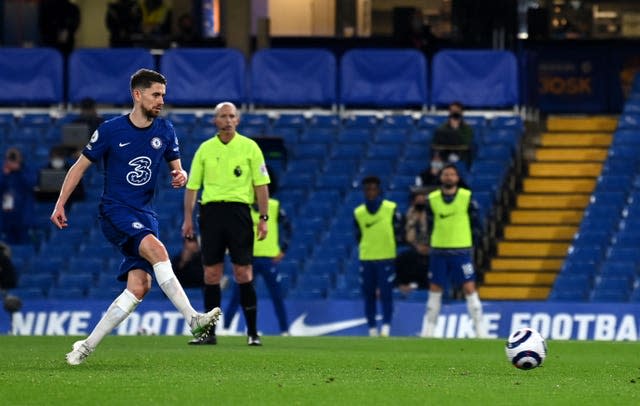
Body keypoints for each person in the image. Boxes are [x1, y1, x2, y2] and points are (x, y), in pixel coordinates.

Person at [50, 68, 221, 366]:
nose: (161, 101)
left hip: (145, 214)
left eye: (163, 95)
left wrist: (181, 175)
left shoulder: (165, 130)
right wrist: (60, 203)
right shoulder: (110, 130)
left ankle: (85, 347)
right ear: (137, 95)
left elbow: (178, 170)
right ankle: (193, 318)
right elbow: (78, 167)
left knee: (139, 287)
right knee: (158, 250)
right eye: (155, 95)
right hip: (115, 210)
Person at [183, 101, 270, 346]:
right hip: (211, 213)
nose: (228, 120)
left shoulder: (250, 147)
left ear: (238, 120)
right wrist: (188, 219)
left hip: (239, 212)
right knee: (211, 274)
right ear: (215, 121)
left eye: (232, 116)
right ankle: (209, 333)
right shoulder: (205, 149)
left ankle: (252, 332)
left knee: (243, 272)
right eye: (223, 116)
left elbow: (261, 186)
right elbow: (192, 188)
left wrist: (263, 218)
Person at [223, 167, 292, 335]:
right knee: (237, 294)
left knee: (276, 296)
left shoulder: (274, 206)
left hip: (269, 258)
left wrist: (283, 249)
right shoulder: (244, 206)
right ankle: (225, 328)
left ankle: (284, 330)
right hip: (248, 258)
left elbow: (288, 228)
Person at [419, 164, 485, 338]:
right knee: (434, 291)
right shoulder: (431, 199)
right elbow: (428, 224)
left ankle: (481, 331)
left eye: (452, 174)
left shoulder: (467, 198)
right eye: (446, 174)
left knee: (470, 289)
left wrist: (474, 242)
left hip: (461, 252)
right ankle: (428, 332)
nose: (449, 177)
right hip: (439, 252)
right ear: (441, 177)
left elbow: (477, 224)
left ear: (457, 178)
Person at [353, 176, 402, 337]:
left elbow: (398, 231)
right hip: (367, 259)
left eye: (373, 188)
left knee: (386, 294)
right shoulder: (359, 212)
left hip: (386, 258)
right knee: (369, 295)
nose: (370, 192)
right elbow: (358, 235)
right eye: (367, 189)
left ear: (379, 190)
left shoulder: (390, 208)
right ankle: (372, 329)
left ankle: (386, 327)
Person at [395, 191, 429, 295]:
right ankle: (403, 285)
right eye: (418, 201)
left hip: (430, 249)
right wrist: (415, 245)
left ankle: (425, 286)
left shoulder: (431, 217)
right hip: (411, 248)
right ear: (412, 202)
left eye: (423, 201)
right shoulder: (406, 217)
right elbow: (401, 236)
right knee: (403, 258)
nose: (420, 203)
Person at [0, 148, 37, 244]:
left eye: (14, 159)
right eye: (10, 159)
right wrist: (5, 175)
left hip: (23, 215)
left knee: (25, 245)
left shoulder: (27, 170)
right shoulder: (4, 173)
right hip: (7, 216)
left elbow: (31, 183)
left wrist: (19, 169)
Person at [432, 101, 474, 166]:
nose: (454, 113)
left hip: (461, 156)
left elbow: (466, 143)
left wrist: (456, 129)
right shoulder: (442, 128)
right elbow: (437, 142)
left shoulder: (467, 129)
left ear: (461, 113)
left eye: (456, 111)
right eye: (452, 111)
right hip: (444, 155)